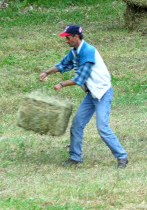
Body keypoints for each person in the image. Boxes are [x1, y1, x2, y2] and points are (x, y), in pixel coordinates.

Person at [38, 24, 128, 168]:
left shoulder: (88, 51)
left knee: (102, 127)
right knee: (77, 125)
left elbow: (80, 78)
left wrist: (61, 84)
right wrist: (47, 72)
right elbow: (63, 64)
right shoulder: (74, 51)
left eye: (68, 38)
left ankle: (122, 156)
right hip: (91, 94)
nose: (66, 40)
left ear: (76, 37)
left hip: (102, 93)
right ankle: (75, 158)